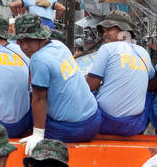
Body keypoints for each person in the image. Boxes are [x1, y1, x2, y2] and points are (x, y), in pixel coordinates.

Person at [14, 13, 101, 149]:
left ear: (41, 38)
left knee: (26, 110)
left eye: (29, 40)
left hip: (70, 130)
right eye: (20, 41)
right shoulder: (58, 45)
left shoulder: (39, 59)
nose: (24, 47)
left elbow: (39, 99)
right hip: (94, 120)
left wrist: (38, 134)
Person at [86, 15, 151, 136]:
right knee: (151, 93)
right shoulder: (143, 52)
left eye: (109, 29)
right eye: (104, 31)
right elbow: (152, 85)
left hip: (103, 122)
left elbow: (89, 86)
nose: (105, 34)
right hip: (135, 126)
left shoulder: (107, 48)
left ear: (124, 31)